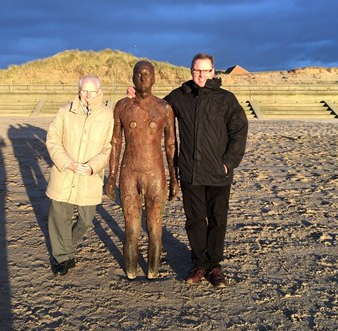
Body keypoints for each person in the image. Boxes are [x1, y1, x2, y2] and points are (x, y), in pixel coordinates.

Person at [128, 53, 248, 287]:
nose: (201, 75)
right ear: (191, 71)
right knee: (195, 221)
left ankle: (214, 266)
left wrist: (229, 161)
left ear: (213, 71)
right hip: (191, 171)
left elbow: (239, 130)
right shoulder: (180, 96)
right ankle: (199, 263)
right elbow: (156, 109)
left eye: (205, 70)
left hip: (218, 173)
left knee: (217, 219)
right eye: (197, 70)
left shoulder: (226, 99)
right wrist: (136, 98)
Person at [106, 61, 179, 280]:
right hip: (130, 171)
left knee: (154, 225)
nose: (143, 79)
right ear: (132, 78)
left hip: (155, 173)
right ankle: (130, 270)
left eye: (148, 75)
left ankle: (153, 270)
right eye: (139, 74)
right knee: (131, 225)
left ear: (155, 78)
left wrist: (174, 178)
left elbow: (171, 145)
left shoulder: (164, 108)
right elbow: (116, 143)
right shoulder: (122, 106)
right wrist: (111, 176)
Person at [46, 75, 113, 276]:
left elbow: (108, 147)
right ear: (79, 90)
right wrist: (67, 162)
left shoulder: (107, 115)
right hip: (64, 174)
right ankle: (62, 258)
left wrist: (92, 166)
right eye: (84, 90)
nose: (88, 95)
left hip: (89, 177)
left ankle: (67, 249)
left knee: (86, 220)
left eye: (92, 91)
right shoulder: (65, 112)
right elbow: (52, 139)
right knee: (60, 219)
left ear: (99, 91)